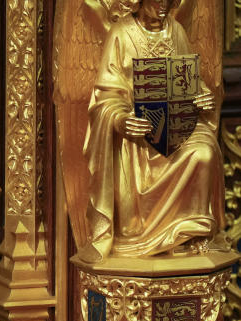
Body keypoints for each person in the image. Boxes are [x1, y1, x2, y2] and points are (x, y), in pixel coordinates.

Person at [81, 0, 225, 261]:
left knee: (204, 151)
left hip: (178, 130)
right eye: (158, 0)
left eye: (169, 1)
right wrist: (120, 119)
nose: (164, 7)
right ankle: (136, 232)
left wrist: (203, 99)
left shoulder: (176, 31)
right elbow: (106, 96)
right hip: (138, 138)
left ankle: (195, 232)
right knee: (132, 146)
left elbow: (189, 81)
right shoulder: (121, 34)